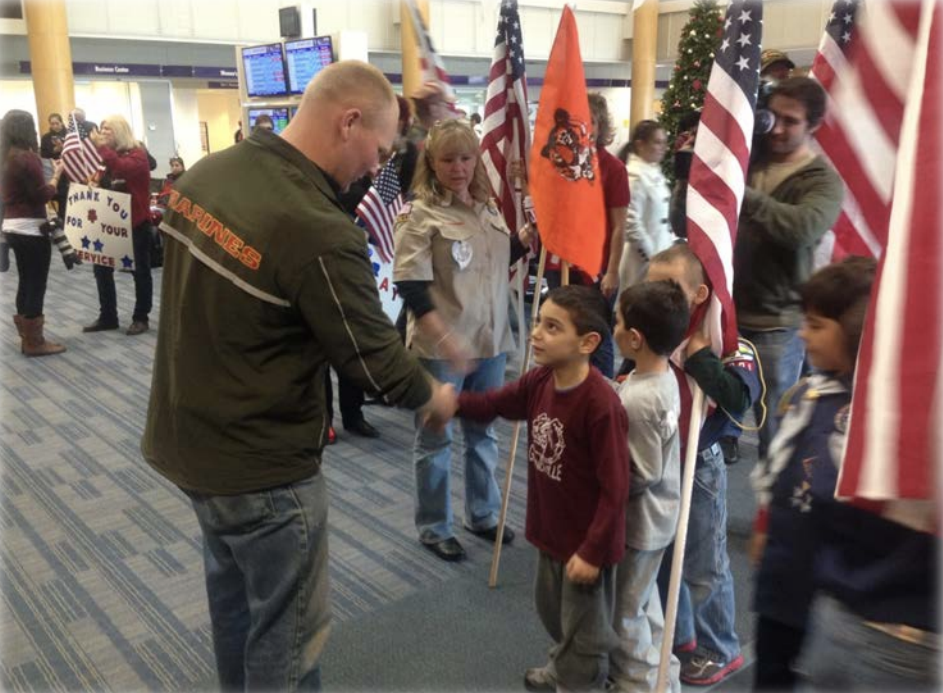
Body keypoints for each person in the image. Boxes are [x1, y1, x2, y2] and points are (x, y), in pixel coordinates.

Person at [141, 60, 457, 691]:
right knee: (287, 641)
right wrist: (434, 393)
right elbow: (374, 363)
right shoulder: (316, 228)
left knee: (236, 610)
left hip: (190, 445)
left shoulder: (207, 175)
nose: (377, 167)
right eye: (379, 147)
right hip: (266, 470)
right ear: (349, 122)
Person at [456, 285, 629, 692]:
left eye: (552, 327)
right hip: (550, 530)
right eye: (538, 323)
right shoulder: (540, 381)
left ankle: (581, 680)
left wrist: (592, 551)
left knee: (585, 632)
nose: (536, 334)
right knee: (554, 615)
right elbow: (496, 403)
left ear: (587, 342)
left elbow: (616, 489)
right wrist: (454, 402)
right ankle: (567, 666)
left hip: (587, 543)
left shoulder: (600, 404)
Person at [393, 118, 530, 562]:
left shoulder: (487, 209)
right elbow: (411, 286)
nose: (459, 167)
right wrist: (446, 339)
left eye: (466, 157)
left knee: (482, 432)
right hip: (442, 348)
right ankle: (434, 527)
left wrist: (525, 240)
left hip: (489, 342)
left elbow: (496, 262)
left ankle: (484, 514)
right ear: (431, 163)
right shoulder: (419, 215)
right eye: (448, 159)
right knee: (434, 439)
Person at [750, 257, 876, 691]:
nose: (803, 334)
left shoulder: (876, 414)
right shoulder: (808, 394)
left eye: (817, 325)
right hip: (785, 575)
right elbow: (779, 466)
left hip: (837, 592)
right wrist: (765, 525)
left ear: (860, 330)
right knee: (772, 673)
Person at [646, 243, 761, 686]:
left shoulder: (724, 338)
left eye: (670, 288)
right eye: (652, 286)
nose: (659, 297)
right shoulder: (654, 329)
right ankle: (681, 635)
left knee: (703, 563)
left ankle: (720, 646)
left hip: (699, 467)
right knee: (658, 552)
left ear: (699, 294)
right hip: (656, 460)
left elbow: (738, 399)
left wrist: (699, 358)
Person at [733, 77, 843, 462]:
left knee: (775, 432)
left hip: (775, 326)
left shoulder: (823, 181)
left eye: (790, 121)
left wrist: (737, 192)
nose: (776, 128)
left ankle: (772, 515)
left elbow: (799, 229)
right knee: (714, 420)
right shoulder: (747, 158)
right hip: (725, 314)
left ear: (812, 125)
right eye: (772, 116)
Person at [609, 280, 689, 693]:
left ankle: (636, 684)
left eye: (618, 322)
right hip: (660, 518)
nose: (614, 326)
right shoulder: (661, 378)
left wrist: (603, 495)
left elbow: (640, 473)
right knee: (646, 606)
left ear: (635, 338)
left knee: (626, 613)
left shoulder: (639, 400)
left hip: (640, 524)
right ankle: (664, 677)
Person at [545, 93, 628, 378]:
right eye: (579, 121)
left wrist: (613, 271)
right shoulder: (560, 164)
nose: (585, 127)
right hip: (561, 262)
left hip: (597, 267)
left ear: (600, 126)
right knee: (562, 328)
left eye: (591, 121)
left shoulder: (614, 169)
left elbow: (620, 226)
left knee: (596, 335)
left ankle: (601, 391)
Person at [0, 109, 67, 356]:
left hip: (12, 226)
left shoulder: (6, 157)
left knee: (26, 279)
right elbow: (41, 194)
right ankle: (34, 341)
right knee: (37, 282)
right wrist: (56, 176)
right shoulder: (27, 159)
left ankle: (26, 333)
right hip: (31, 226)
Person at [84, 114, 154, 336]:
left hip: (136, 223)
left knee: (139, 272)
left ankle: (141, 317)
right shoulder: (107, 159)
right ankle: (108, 316)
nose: (103, 134)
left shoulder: (137, 155)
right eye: (102, 129)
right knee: (101, 269)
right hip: (110, 223)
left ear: (121, 132)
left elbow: (122, 168)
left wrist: (103, 149)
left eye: (108, 130)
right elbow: (105, 178)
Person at [619, 120, 673, 290]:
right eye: (657, 142)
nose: (663, 147)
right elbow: (631, 223)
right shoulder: (634, 175)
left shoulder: (653, 170)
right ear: (640, 144)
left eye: (665, 142)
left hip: (661, 255)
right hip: (641, 260)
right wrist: (652, 257)